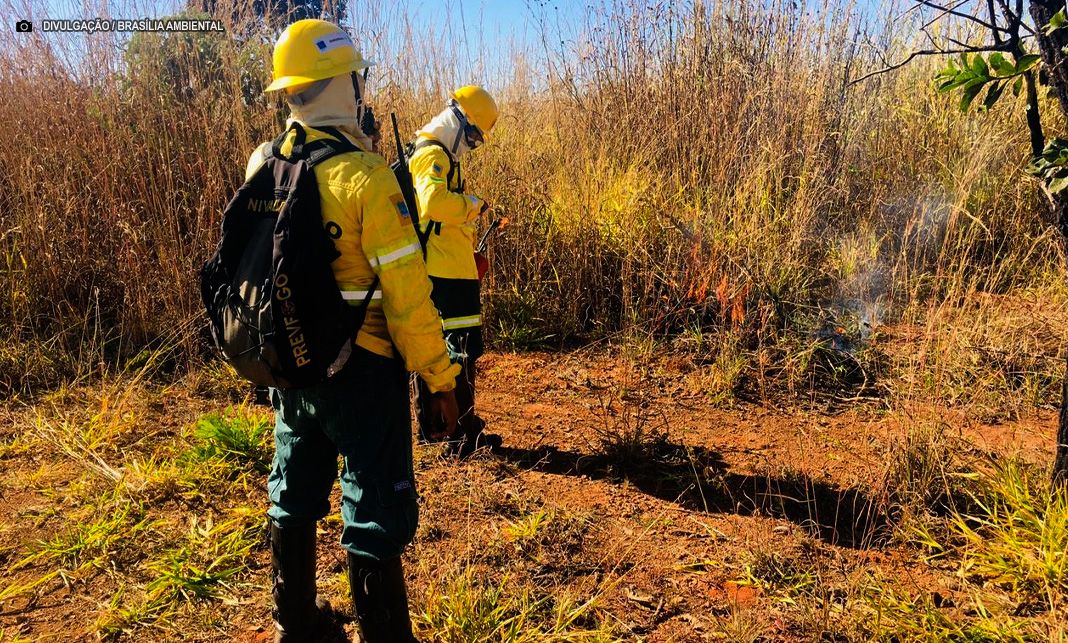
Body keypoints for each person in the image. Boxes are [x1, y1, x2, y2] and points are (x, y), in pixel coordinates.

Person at [251, 19, 461, 642]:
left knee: (293, 489)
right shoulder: (367, 178)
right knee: (372, 510)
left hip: (293, 364)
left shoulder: (264, 164)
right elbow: (408, 298)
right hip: (365, 372)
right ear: (343, 83)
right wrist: (441, 378)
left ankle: (295, 621)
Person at [409, 86, 502, 457]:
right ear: (460, 121)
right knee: (458, 350)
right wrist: (473, 206)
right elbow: (432, 202)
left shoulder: (440, 155)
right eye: (476, 136)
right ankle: (458, 434)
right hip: (445, 273)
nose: (474, 145)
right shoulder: (432, 154)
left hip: (452, 267)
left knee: (452, 348)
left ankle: (447, 430)